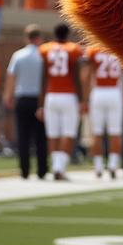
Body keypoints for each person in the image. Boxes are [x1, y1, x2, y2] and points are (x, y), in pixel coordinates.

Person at [39, 22, 84, 181]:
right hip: (68, 95)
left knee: (53, 134)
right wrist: (81, 99)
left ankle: (55, 166)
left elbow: (43, 77)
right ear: (68, 34)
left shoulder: (45, 49)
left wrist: (41, 103)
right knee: (68, 133)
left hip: (51, 95)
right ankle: (60, 167)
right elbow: (76, 77)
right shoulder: (73, 49)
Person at [4, 24, 47, 179]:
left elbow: (11, 77)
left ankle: (24, 170)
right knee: (40, 136)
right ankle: (42, 170)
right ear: (39, 38)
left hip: (22, 97)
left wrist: (8, 96)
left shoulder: (18, 55)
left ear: (27, 38)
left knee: (23, 136)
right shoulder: (43, 55)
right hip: (39, 98)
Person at [84, 41, 123, 178]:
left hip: (99, 92)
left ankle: (98, 166)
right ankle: (112, 165)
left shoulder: (93, 49)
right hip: (114, 92)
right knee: (115, 132)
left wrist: (84, 98)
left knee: (97, 132)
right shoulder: (119, 46)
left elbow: (87, 76)